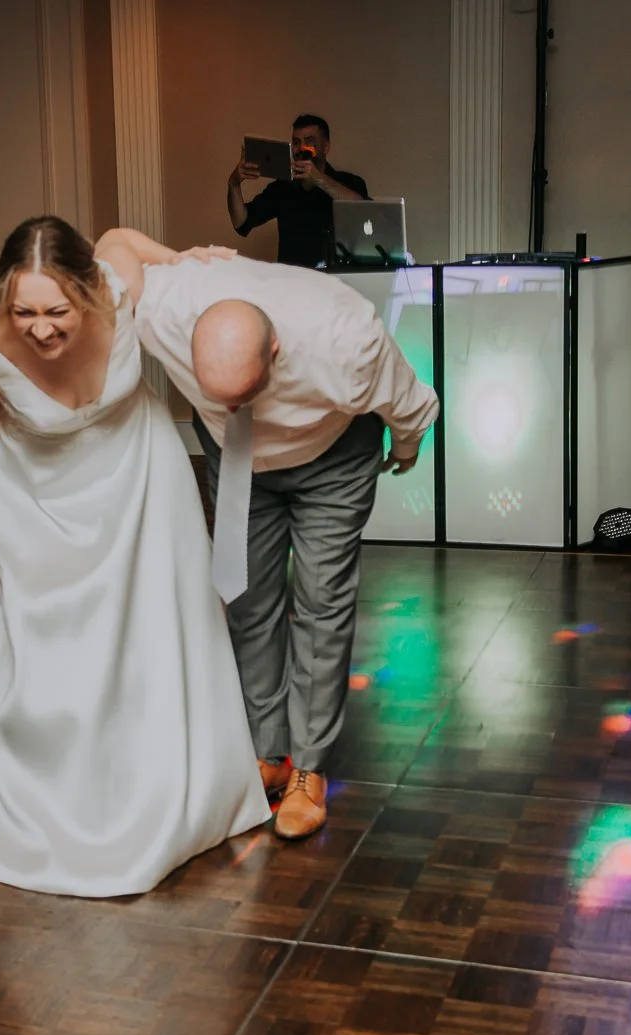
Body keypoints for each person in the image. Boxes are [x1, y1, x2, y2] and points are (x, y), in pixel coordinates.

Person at [0, 216, 270, 898]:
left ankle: (174, 780)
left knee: (159, 626)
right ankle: (55, 792)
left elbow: (124, 237)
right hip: (40, 492)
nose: (40, 328)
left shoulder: (119, 278)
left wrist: (181, 254)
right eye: (23, 310)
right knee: (57, 644)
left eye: (58, 310)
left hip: (140, 471)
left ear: (90, 288)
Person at [97, 229, 438, 841]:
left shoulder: (347, 339)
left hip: (332, 456)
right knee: (246, 597)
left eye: (244, 393)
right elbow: (113, 244)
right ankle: (267, 750)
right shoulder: (166, 306)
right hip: (237, 456)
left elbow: (408, 406)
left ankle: (309, 768)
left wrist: (406, 452)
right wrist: (173, 255)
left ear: (276, 350)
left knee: (319, 602)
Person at [227, 114, 368, 268]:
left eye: (309, 142)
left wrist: (319, 179)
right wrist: (233, 184)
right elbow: (241, 222)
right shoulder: (282, 188)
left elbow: (364, 213)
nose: (302, 148)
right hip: (292, 284)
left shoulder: (349, 182)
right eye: (296, 142)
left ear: (326, 147)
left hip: (336, 283)